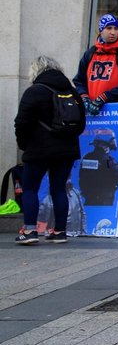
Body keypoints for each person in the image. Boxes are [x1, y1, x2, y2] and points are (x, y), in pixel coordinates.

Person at [14, 56, 85, 244]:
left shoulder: (34, 92)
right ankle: (59, 232)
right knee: (59, 189)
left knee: (30, 188)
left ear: (36, 71)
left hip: (38, 150)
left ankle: (29, 231)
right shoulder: (72, 92)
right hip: (66, 151)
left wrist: (23, 144)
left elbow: (21, 122)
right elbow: (81, 124)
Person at [72, 14, 118, 116]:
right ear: (101, 30)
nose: (113, 32)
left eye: (116, 28)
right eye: (109, 28)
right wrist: (84, 97)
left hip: (116, 113)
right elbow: (79, 80)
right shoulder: (90, 53)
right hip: (90, 112)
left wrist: (105, 97)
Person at [78, 129, 118, 206]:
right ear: (104, 145)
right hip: (104, 201)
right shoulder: (107, 160)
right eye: (108, 147)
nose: (109, 150)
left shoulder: (87, 157)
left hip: (89, 200)